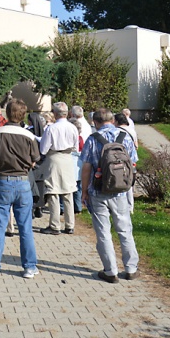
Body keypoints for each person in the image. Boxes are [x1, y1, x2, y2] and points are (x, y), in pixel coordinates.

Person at [81, 108, 140, 283]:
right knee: (124, 229)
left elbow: (86, 168)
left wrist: (84, 191)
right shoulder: (124, 136)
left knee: (103, 232)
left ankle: (110, 271)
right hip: (120, 191)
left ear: (95, 122)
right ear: (113, 120)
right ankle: (131, 268)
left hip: (98, 191)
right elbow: (134, 162)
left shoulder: (92, 140)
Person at [0, 99, 40, 279]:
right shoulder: (28, 136)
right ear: (23, 114)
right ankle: (29, 267)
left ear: (7, 113)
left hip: (2, 181)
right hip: (23, 181)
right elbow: (34, 160)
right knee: (25, 228)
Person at [38, 102, 79, 235]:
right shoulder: (73, 127)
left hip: (54, 158)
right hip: (68, 158)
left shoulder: (52, 128)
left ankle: (55, 225)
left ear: (55, 114)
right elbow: (76, 146)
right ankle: (70, 224)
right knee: (68, 192)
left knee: (53, 191)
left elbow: (43, 149)